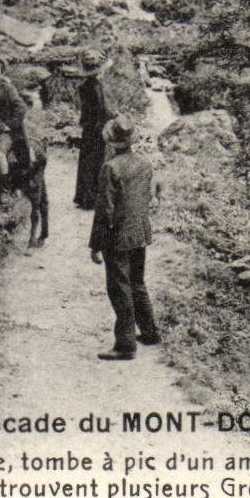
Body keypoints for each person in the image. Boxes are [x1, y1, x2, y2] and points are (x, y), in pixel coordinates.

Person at [89, 114, 160, 360]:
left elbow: (104, 210)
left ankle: (126, 344)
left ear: (112, 142)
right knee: (138, 283)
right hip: (140, 232)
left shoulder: (110, 168)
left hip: (117, 236)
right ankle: (150, 332)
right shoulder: (145, 163)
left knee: (120, 288)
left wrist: (95, 244)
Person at [74, 47, 111, 210]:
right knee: (94, 161)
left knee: (87, 160)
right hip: (96, 127)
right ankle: (90, 199)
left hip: (89, 126)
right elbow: (101, 109)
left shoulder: (85, 85)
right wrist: (114, 115)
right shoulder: (94, 86)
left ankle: (83, 197)